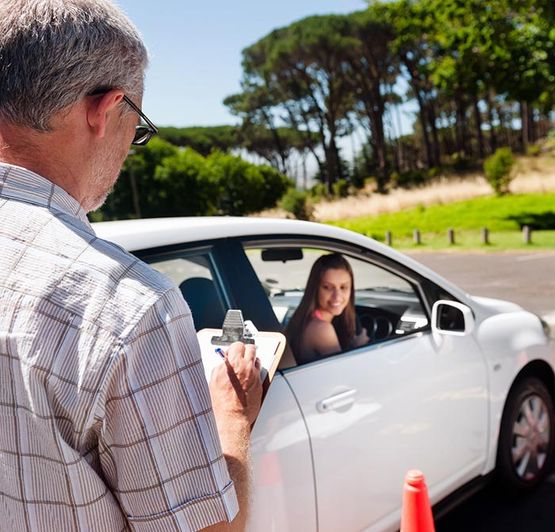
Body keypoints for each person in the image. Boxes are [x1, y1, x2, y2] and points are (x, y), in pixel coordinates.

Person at [0, 1, 261, 531]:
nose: (129, 147)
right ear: (104, 108)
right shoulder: (127, 305)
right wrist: (232, 416)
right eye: (136, 125)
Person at [285, 253, 369, 365]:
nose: (337, 296)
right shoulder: (322, 329)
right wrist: (359, 347)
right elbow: (343, 373)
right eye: (328, 288)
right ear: (315, 289)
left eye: (343, 287)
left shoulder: (305, 319)